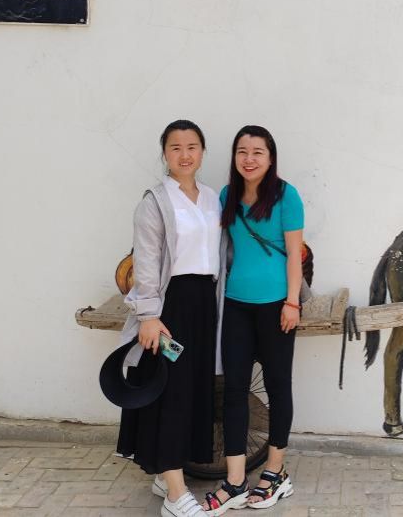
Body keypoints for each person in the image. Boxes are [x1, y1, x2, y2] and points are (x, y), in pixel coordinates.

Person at [116, 120, 228, 517]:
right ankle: (177, 497)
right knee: (172, 391)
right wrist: (149, 315)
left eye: (192, 146)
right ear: (164, 153)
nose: (185, 154)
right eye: (176, 147)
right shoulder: (155, 201)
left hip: (204, 306)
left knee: (194, 389)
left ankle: (167, 475)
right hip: (170, 308)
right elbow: (146, 260)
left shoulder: (213, 199)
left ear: (202, 152)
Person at [204, 125, 303, 514]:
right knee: (234, 391)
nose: (249, 159)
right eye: (242, 152)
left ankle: (275, 473)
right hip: (236, 306)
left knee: (278, 387)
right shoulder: (227, 195)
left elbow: (294, 255)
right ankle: (235, 481)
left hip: (277, 305)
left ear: (270, 158)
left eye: (257, 152)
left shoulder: (286, 196)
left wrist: (292, 303)